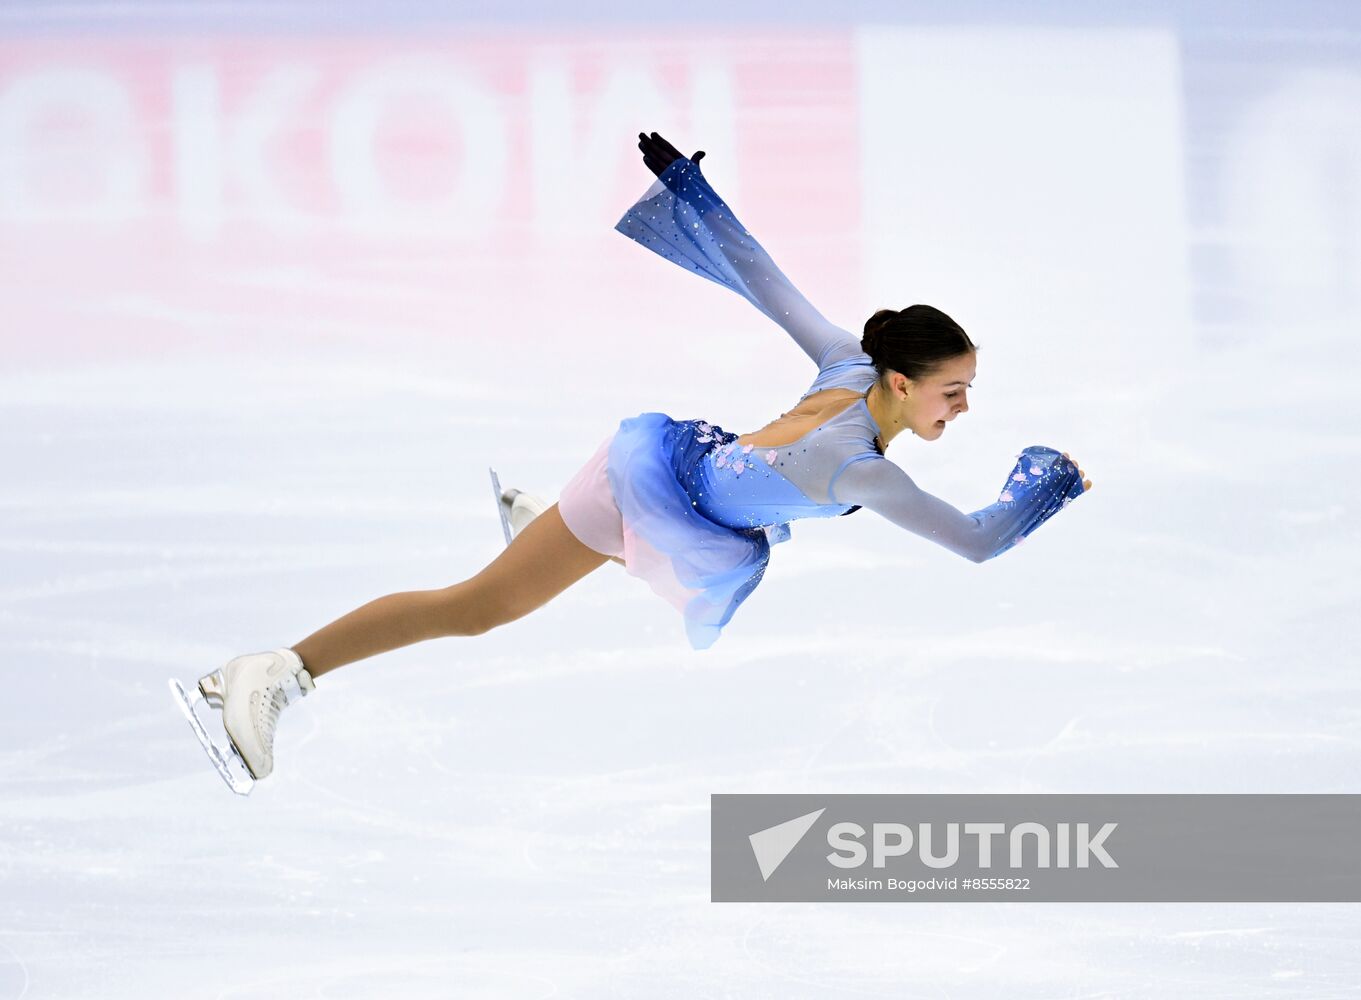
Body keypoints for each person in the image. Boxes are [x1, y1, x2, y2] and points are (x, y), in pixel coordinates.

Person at [171, 132, 1091, 793]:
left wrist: (686, 189)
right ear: (900, 379)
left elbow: (757, 273)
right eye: (953, 391)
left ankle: (548, 525)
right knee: (478, 609)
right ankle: (279, 670)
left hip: (682, 488)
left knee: (605, 562)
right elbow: (977, 543)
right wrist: (1049, 475)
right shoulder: (866, 472)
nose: (962, 409)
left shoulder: (847, 366)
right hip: (639, 491)